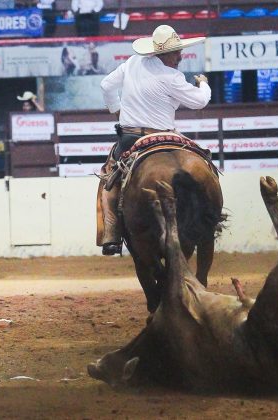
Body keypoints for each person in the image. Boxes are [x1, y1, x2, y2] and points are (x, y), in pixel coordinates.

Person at [98, 25, 210, 256]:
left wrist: (116, 111)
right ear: (163, 54)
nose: (180, 56)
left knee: (110, 175)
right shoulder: (172, 77)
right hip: (166, 134)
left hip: (130, 138)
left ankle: (111, 234)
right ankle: (209, 217)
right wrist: (203, 83)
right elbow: (200, 101)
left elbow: (106, 85)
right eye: (176, 52)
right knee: (203, 160)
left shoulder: (132, 63)